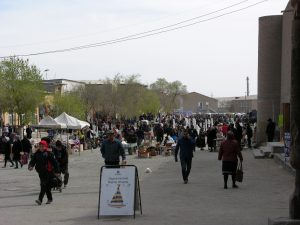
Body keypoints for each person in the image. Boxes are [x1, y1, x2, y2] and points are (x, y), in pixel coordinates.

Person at [28, 140, 59, 205]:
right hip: (40, 172)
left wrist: (57, 171)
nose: (41, 147)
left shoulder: (48, 153)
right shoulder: (37, 153)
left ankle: (40, 199)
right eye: (40, 146)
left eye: (43, 146)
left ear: (45, 146)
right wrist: (30, 166)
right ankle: (50, 199)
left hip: (48, 171)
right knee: (46, 186)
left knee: (43, 185)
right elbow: (33, 161)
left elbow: (54, 162)